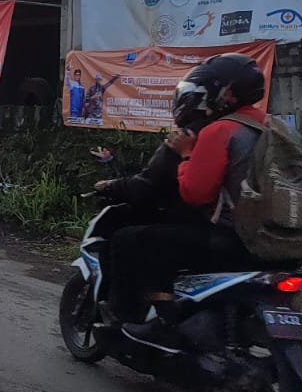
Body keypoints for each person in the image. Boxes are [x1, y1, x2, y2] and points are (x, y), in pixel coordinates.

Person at [110, 53, 269, 352]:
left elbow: (195, 193)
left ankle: (163, 325)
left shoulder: (219, 131)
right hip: (280, 242)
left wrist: (186, 153)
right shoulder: (274, 126)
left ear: (226, 94)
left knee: (135, 239)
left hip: (234, 240)